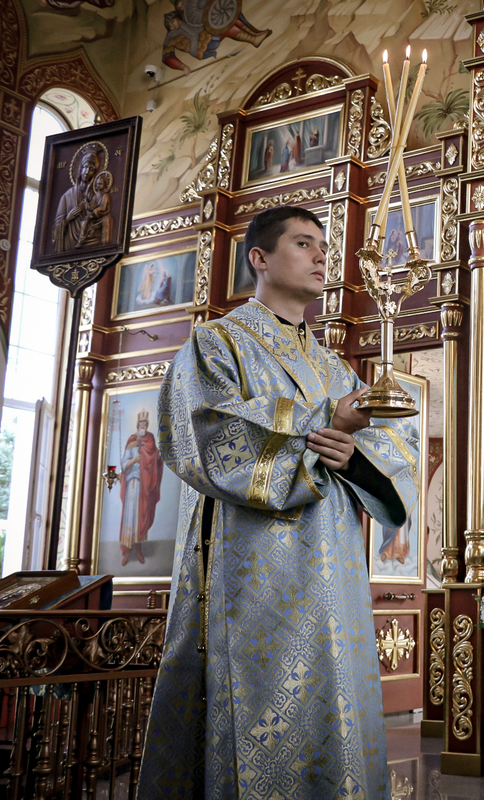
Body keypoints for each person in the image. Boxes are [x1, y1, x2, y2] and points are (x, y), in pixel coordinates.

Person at [138, 206, 419, 798]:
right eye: (304, 243)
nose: (321, 256)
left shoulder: (333, 366)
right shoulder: (217, 343)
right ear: (259, 259)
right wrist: (324, 421)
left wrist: (352, 455)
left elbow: (389, 447)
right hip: (254, 580)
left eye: (323, 246)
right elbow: (206, 433)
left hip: (335, 579)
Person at [118, 410, 164, 567]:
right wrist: (134, 460)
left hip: (144, 485)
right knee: (130, 516)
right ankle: (128, 550)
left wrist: (157, 457)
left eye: (145, 423)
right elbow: (124, 463)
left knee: (141, 516)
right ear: (138, 425)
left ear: (147, 425)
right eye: (141, 424)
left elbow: (154, 458)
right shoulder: (131, 441)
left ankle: (138, 549)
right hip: (132, 483)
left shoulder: (150, 440)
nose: (143, 426)